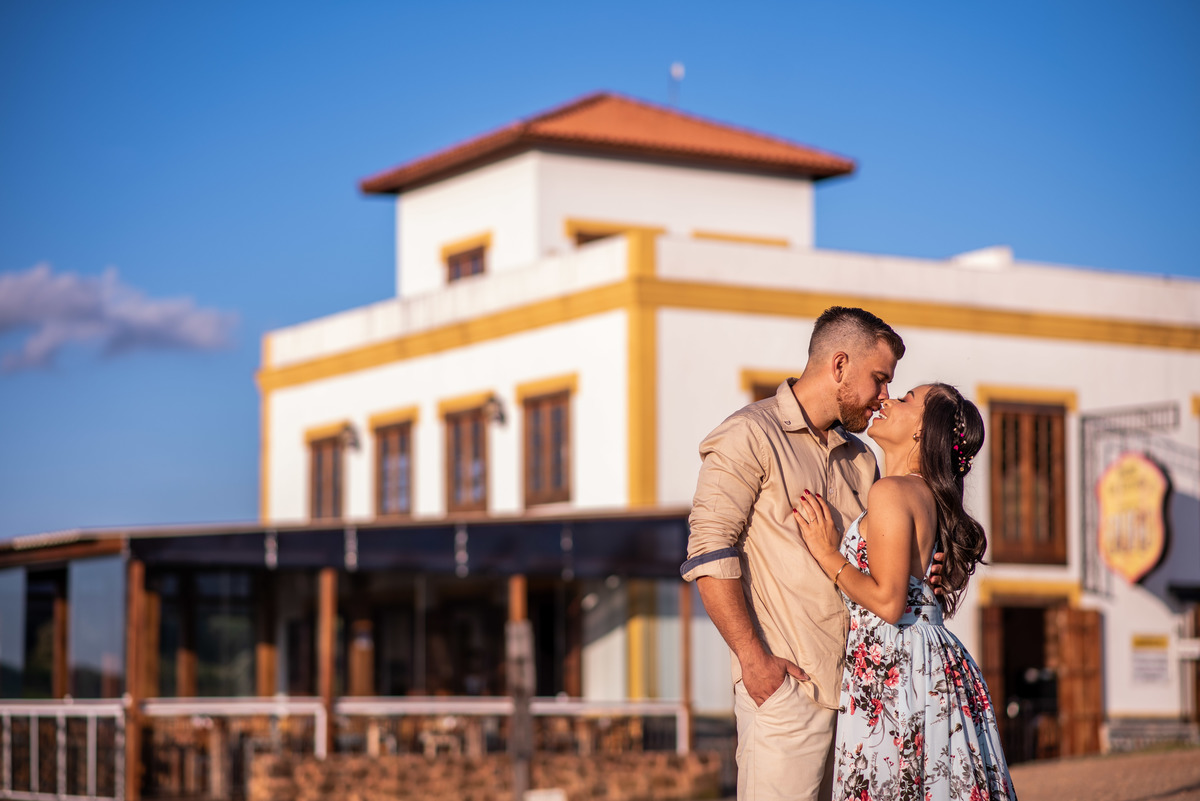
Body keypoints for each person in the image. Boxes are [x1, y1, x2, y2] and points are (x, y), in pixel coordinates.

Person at [682, 306, 905, 801]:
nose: (885, 397)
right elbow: (708, 552)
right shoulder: (749, 433)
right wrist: (754, 661)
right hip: (786, 692)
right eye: (880, 378)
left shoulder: (861, 459)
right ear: (840, 365)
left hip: (858, 702)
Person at [792, 383, 1017, 800]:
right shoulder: (926, 495)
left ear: (921, 430)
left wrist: (827, 554)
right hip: (926, 663)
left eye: (906, 398)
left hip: (899, 669)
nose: (887, 399)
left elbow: (889, 602)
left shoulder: (892, 492)